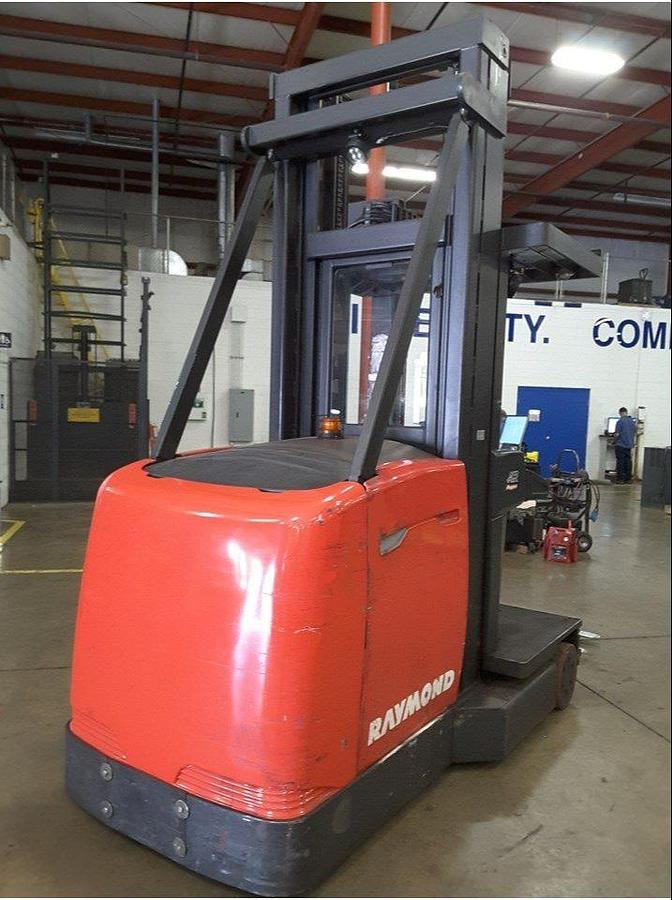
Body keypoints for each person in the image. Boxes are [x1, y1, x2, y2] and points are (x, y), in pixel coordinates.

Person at [613, 407, 637, 484]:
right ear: (626, 412)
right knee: (628, 462)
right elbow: (634, 432)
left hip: (621, 445)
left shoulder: (620, 421)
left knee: (621, 462)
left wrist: (614, 441)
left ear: (620, 413)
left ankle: (621, 479)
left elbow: (617, 434)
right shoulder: (632, 422)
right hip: (629, 445)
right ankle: (628, 479)